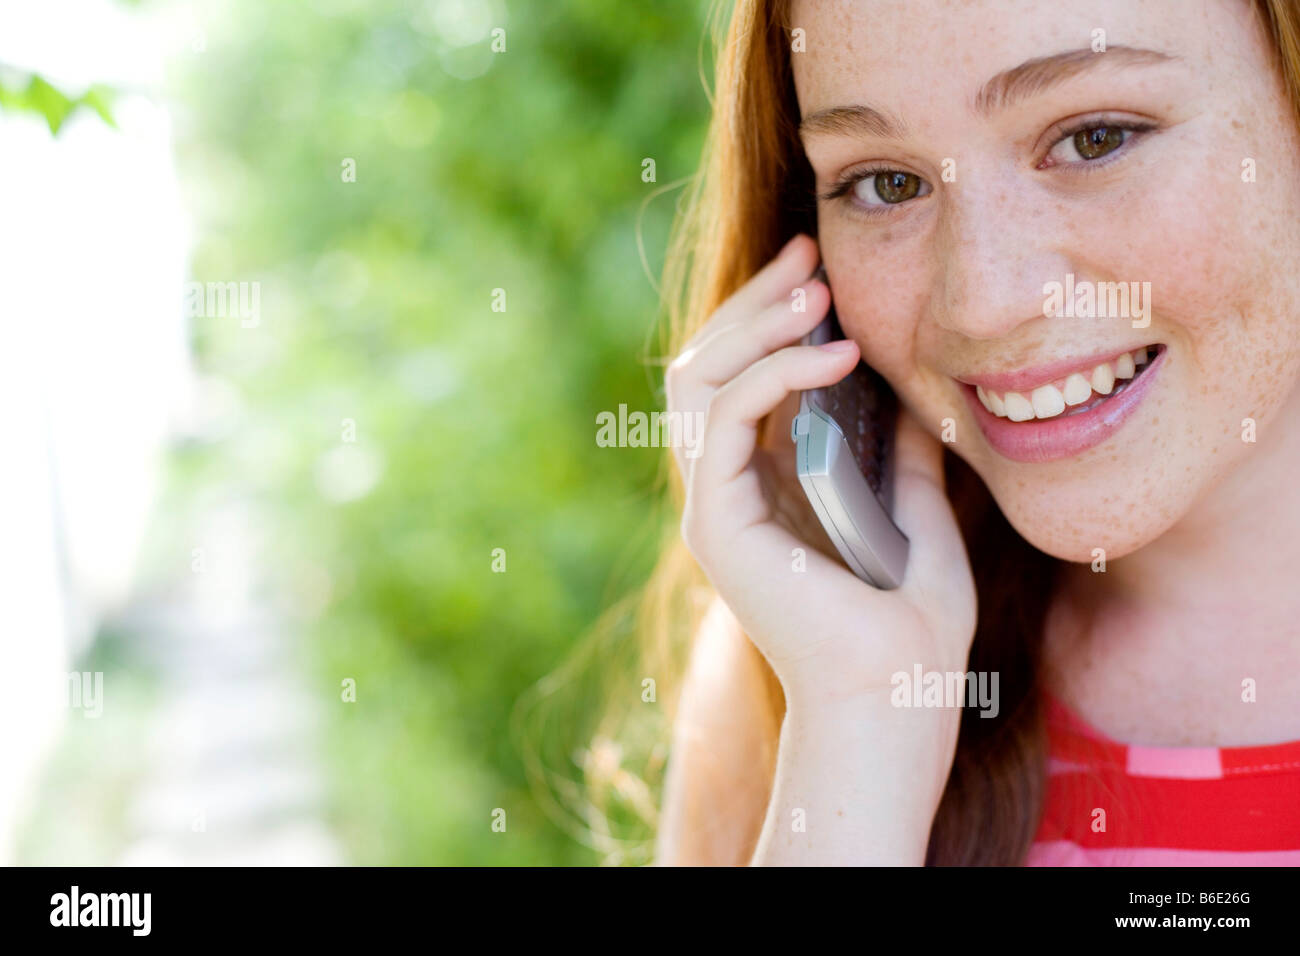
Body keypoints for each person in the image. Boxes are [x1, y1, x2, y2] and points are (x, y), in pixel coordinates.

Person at [643, 0, 1300, 865]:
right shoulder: (801, 674)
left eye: (1096, 138)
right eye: (887, 184)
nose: (983, 303)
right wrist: (859, 731)